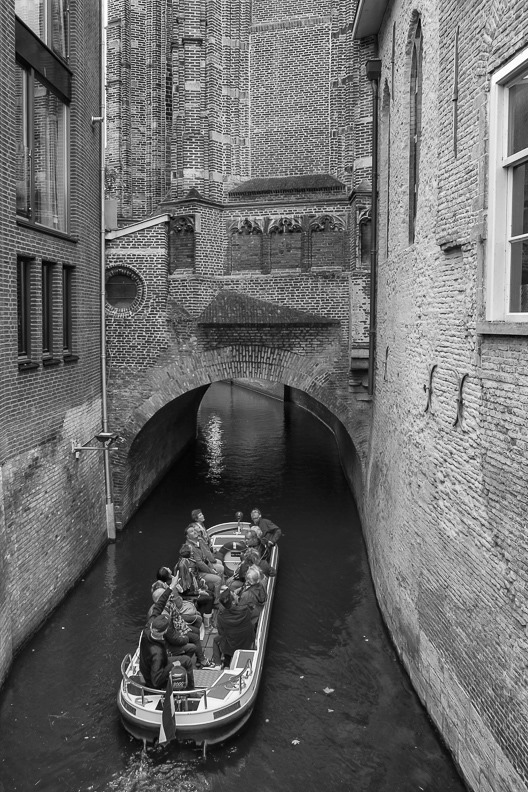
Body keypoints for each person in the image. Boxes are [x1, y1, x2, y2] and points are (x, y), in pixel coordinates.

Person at [150, 584, 214, 669]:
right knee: (194, 638)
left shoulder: (162, 606)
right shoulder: (164, 618)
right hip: (170, 643)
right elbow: (172, 638)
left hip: (175, 628)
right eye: (166, 595)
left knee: (196, 631)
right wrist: (185, 639)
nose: (169, 596)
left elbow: (177, 612)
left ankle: (199, 658)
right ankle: (199, 661)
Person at [139, 613, 195, 690]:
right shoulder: (158, 654)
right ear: (165, 631)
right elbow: (156, 681)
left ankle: (182, 674)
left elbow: (157, 608)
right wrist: (172, 665)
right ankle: (190, 690)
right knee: (187, 661)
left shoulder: (146, 631)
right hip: (152, 680)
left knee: (186, 660)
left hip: (148, 667)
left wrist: (163, 600)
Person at [211, 588, 255, 669]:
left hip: (231, 644)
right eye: (234, 594)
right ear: (233, 601)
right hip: (247, 640)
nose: (235, 594)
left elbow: (221, 632)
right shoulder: (245, 609)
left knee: (217, 640)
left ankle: (219, 664)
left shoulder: (221, 616)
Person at [173, 544, 215, 618]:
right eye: (191, 552)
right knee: (209, 597)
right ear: (188, 553)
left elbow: (194, 577)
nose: (192, 553)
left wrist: (201, 581)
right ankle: (206, 624)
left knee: (211, 590)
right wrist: (198, 592)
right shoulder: (182, 567)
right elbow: (183, 591)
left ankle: (203, 614)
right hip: (186, 596)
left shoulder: (187, 562)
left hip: (192, 590)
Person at [185, 524, 224, 601]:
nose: (195, 532)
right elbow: (200, 564)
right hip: (197, 573)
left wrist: (212, 568)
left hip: (202, 570)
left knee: (218, 570)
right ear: (187, 536)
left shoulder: (197, 543)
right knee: (218, 579)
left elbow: (205, 558)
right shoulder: (190, 547)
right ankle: (216, 601)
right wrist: (211, 571)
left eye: (194, 530)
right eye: (192, 532)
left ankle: (215, 590)